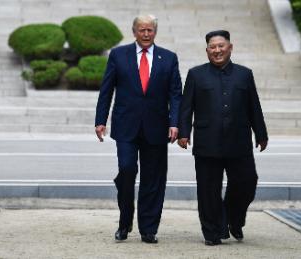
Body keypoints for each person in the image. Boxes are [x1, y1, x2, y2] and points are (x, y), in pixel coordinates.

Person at [95, 14, 182, 243]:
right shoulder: (118, 55)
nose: (145, 34)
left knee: (153, 178)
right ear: (134, 31)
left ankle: (148, 229)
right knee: (126, 169)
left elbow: (175, 94)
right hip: (126, 126)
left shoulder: (169, 58)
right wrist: (100, 119)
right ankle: (125, 222)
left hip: (157, 126)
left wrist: (175, 123)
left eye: (150, 30)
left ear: (155, 32)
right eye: (141, 30)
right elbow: (107, 90)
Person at [177, 30, 268, 245]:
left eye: (221, 46)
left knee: (247, 182)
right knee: (208, 190)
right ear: (207, 50)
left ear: (230, 47)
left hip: (239, 141)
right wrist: (183, 132)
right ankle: (212, 232)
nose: (217, 50)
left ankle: (234, 219)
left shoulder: (244, 74)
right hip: (207, 141)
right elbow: (186, 106)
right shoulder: (196, 74)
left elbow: (254, 106)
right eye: (212, 47)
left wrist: (261, 134)